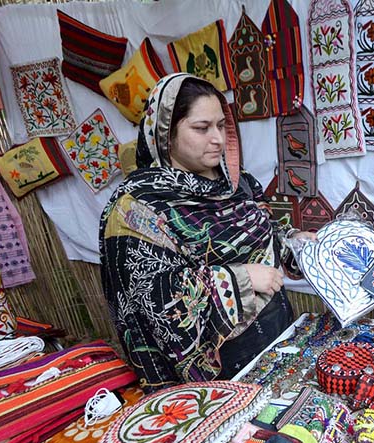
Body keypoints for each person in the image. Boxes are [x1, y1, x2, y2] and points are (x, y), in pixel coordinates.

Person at [99, 73, 312, 392]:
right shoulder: (137, 210)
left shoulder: (238, 183)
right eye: (201, 128)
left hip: (278, 332)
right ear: (165, 133)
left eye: (221, 126)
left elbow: (266, 235)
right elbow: (156, 300)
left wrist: (294, 243)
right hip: (220, 370)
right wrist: (239, 281)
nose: (217, 138)